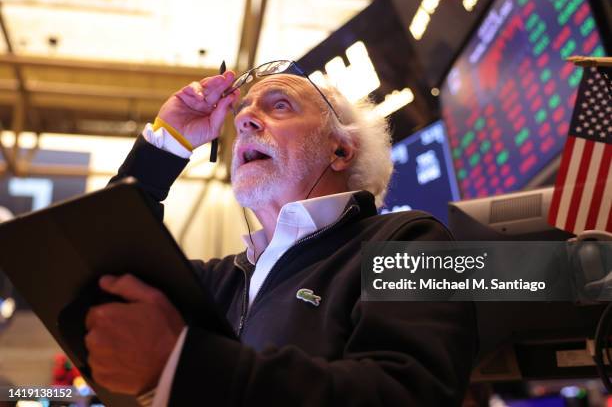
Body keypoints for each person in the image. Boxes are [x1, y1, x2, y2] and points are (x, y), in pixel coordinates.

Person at [84, 61, 478, 406]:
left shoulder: (409, 243)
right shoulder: (221, 280)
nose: (243, 120)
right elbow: (99, 272)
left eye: (280, 105)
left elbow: (405, 394)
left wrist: (187, 361)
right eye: (243, 112)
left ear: (340, 150)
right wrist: (167, 144)